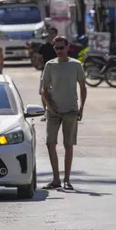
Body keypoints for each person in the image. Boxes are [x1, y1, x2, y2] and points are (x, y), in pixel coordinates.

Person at [40, 36, 87, 191]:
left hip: (70, 110)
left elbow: (82, 87)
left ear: (68, 47)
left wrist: (81, 107)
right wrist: (50, 105)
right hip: (53, 111)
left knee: (68, 145)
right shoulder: (50, 65)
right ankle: (56, 179)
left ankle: (67, 180)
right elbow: (44, 90)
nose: (59, 51)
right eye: (56, 48)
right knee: (50, 143)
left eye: (61, 47)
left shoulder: (76, 65)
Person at [38, 27, 59, 121]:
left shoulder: (59, 46)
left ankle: (57, 111)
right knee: (43, 91)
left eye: (53, 33)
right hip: (46, 71)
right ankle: (46, 111)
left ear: (56, 34)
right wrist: (40, 65)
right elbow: (39, 57)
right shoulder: (43, 46)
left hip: (57, 71)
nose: (51, 35)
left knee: (57, 91)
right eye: (49, 33)